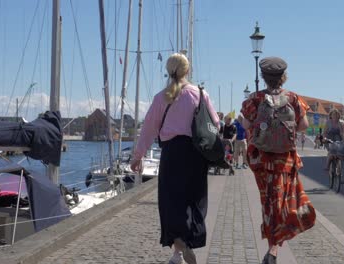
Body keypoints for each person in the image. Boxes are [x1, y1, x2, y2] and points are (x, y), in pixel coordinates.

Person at [130, 53, 219, 264]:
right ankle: (185, 245)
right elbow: (214, 122)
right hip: (196, 153)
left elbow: (149, 129)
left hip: (172, 153)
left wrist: (138, 156)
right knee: (195, 199)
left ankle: (178, 250)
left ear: (168, 72)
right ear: (187, 70)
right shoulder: (200, 94)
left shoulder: (162, 97)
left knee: (171, 202)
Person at [240, 57, 316, 264]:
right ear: (283, 77)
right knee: (282, 202)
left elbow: (246, 124)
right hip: (285, 160)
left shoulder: (254, 99)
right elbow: (303, 126)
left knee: (268, 203)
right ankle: (275, 247)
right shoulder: (293, 98)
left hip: (262, 161)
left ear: (263, 77)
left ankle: (272, 246)